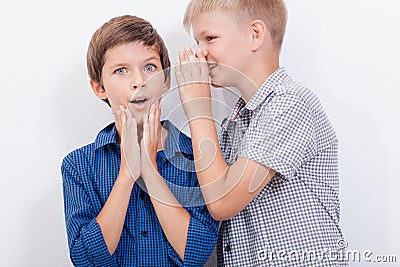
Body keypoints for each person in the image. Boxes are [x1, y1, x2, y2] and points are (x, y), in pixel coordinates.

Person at [175, 0, 346, 266]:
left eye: (210, 38)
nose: (200, 52)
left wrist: (198, 111)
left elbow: (222, 202)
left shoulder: (290, 103)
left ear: (254, 35)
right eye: (197, 41)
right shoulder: (236, 122)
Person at [61, 15, 218, 266]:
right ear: (99, 87)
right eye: (121, 71)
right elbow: (86, 260)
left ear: (166, 80)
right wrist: (127, 175)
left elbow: (197, 253)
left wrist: (150, 171)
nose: (139, 81)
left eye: (150, 67)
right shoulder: (79, 165)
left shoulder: (197, 153)